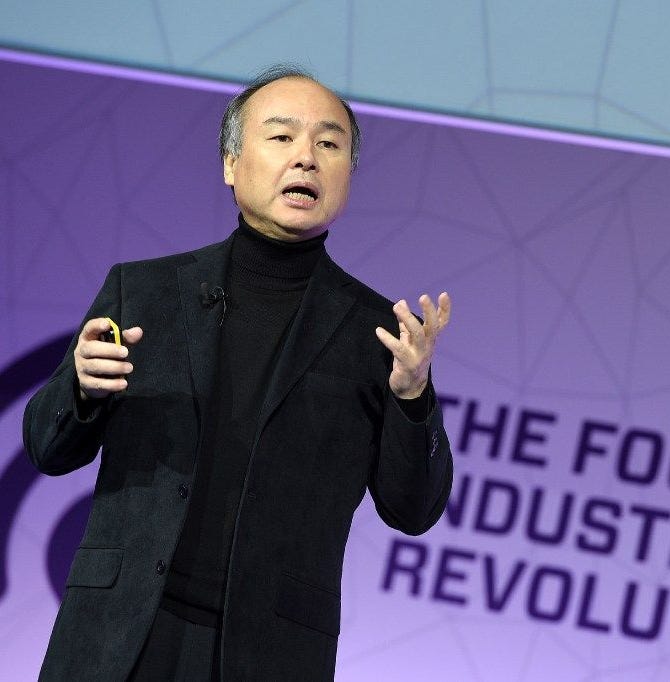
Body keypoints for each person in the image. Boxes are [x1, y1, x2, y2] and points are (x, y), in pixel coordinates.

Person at [23, 64, 453, 681]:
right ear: (230, 164)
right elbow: (46, 447)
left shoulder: (377, 335)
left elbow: (414, 511)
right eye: (281, 137)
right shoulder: (142, 292)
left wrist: (413, 399)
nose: (305, 157)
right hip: (115, 638)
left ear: (348, 177)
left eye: (329, 144)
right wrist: (82, 390)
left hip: (269, 655)